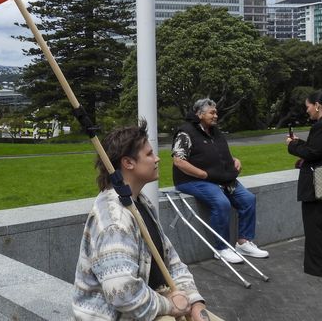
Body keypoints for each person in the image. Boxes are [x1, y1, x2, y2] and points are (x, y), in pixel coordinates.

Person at [72, 123, 224, 321]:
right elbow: (123, 293)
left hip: (154, 300)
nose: (157, 158)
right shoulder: (114, 221)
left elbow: (171, 261)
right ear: (128, 163)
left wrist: (195, 303)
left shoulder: (140, 202)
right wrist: (171, 306)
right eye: (150, 154)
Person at [171, 99, 268, 264]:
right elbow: (179, 161)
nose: (216, 116)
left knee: (248, 199)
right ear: (199, 114)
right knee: (221, 203)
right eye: (212, 113)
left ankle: (243, 243)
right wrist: (202, 174)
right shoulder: (185, 132)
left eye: (216, 112)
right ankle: (221, 248)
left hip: (220, 178)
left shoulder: (215, 131)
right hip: (192, 180)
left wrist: (234, 160)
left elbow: (218, 153)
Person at [287, 91, 322, 278]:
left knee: (315, 226)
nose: (307, 110)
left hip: (317, 184)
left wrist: (292, 145)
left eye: (308, 106)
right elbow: (319, 148)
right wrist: (299, 143)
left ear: (317, 105)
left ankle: (321, 267)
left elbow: (313, 153)